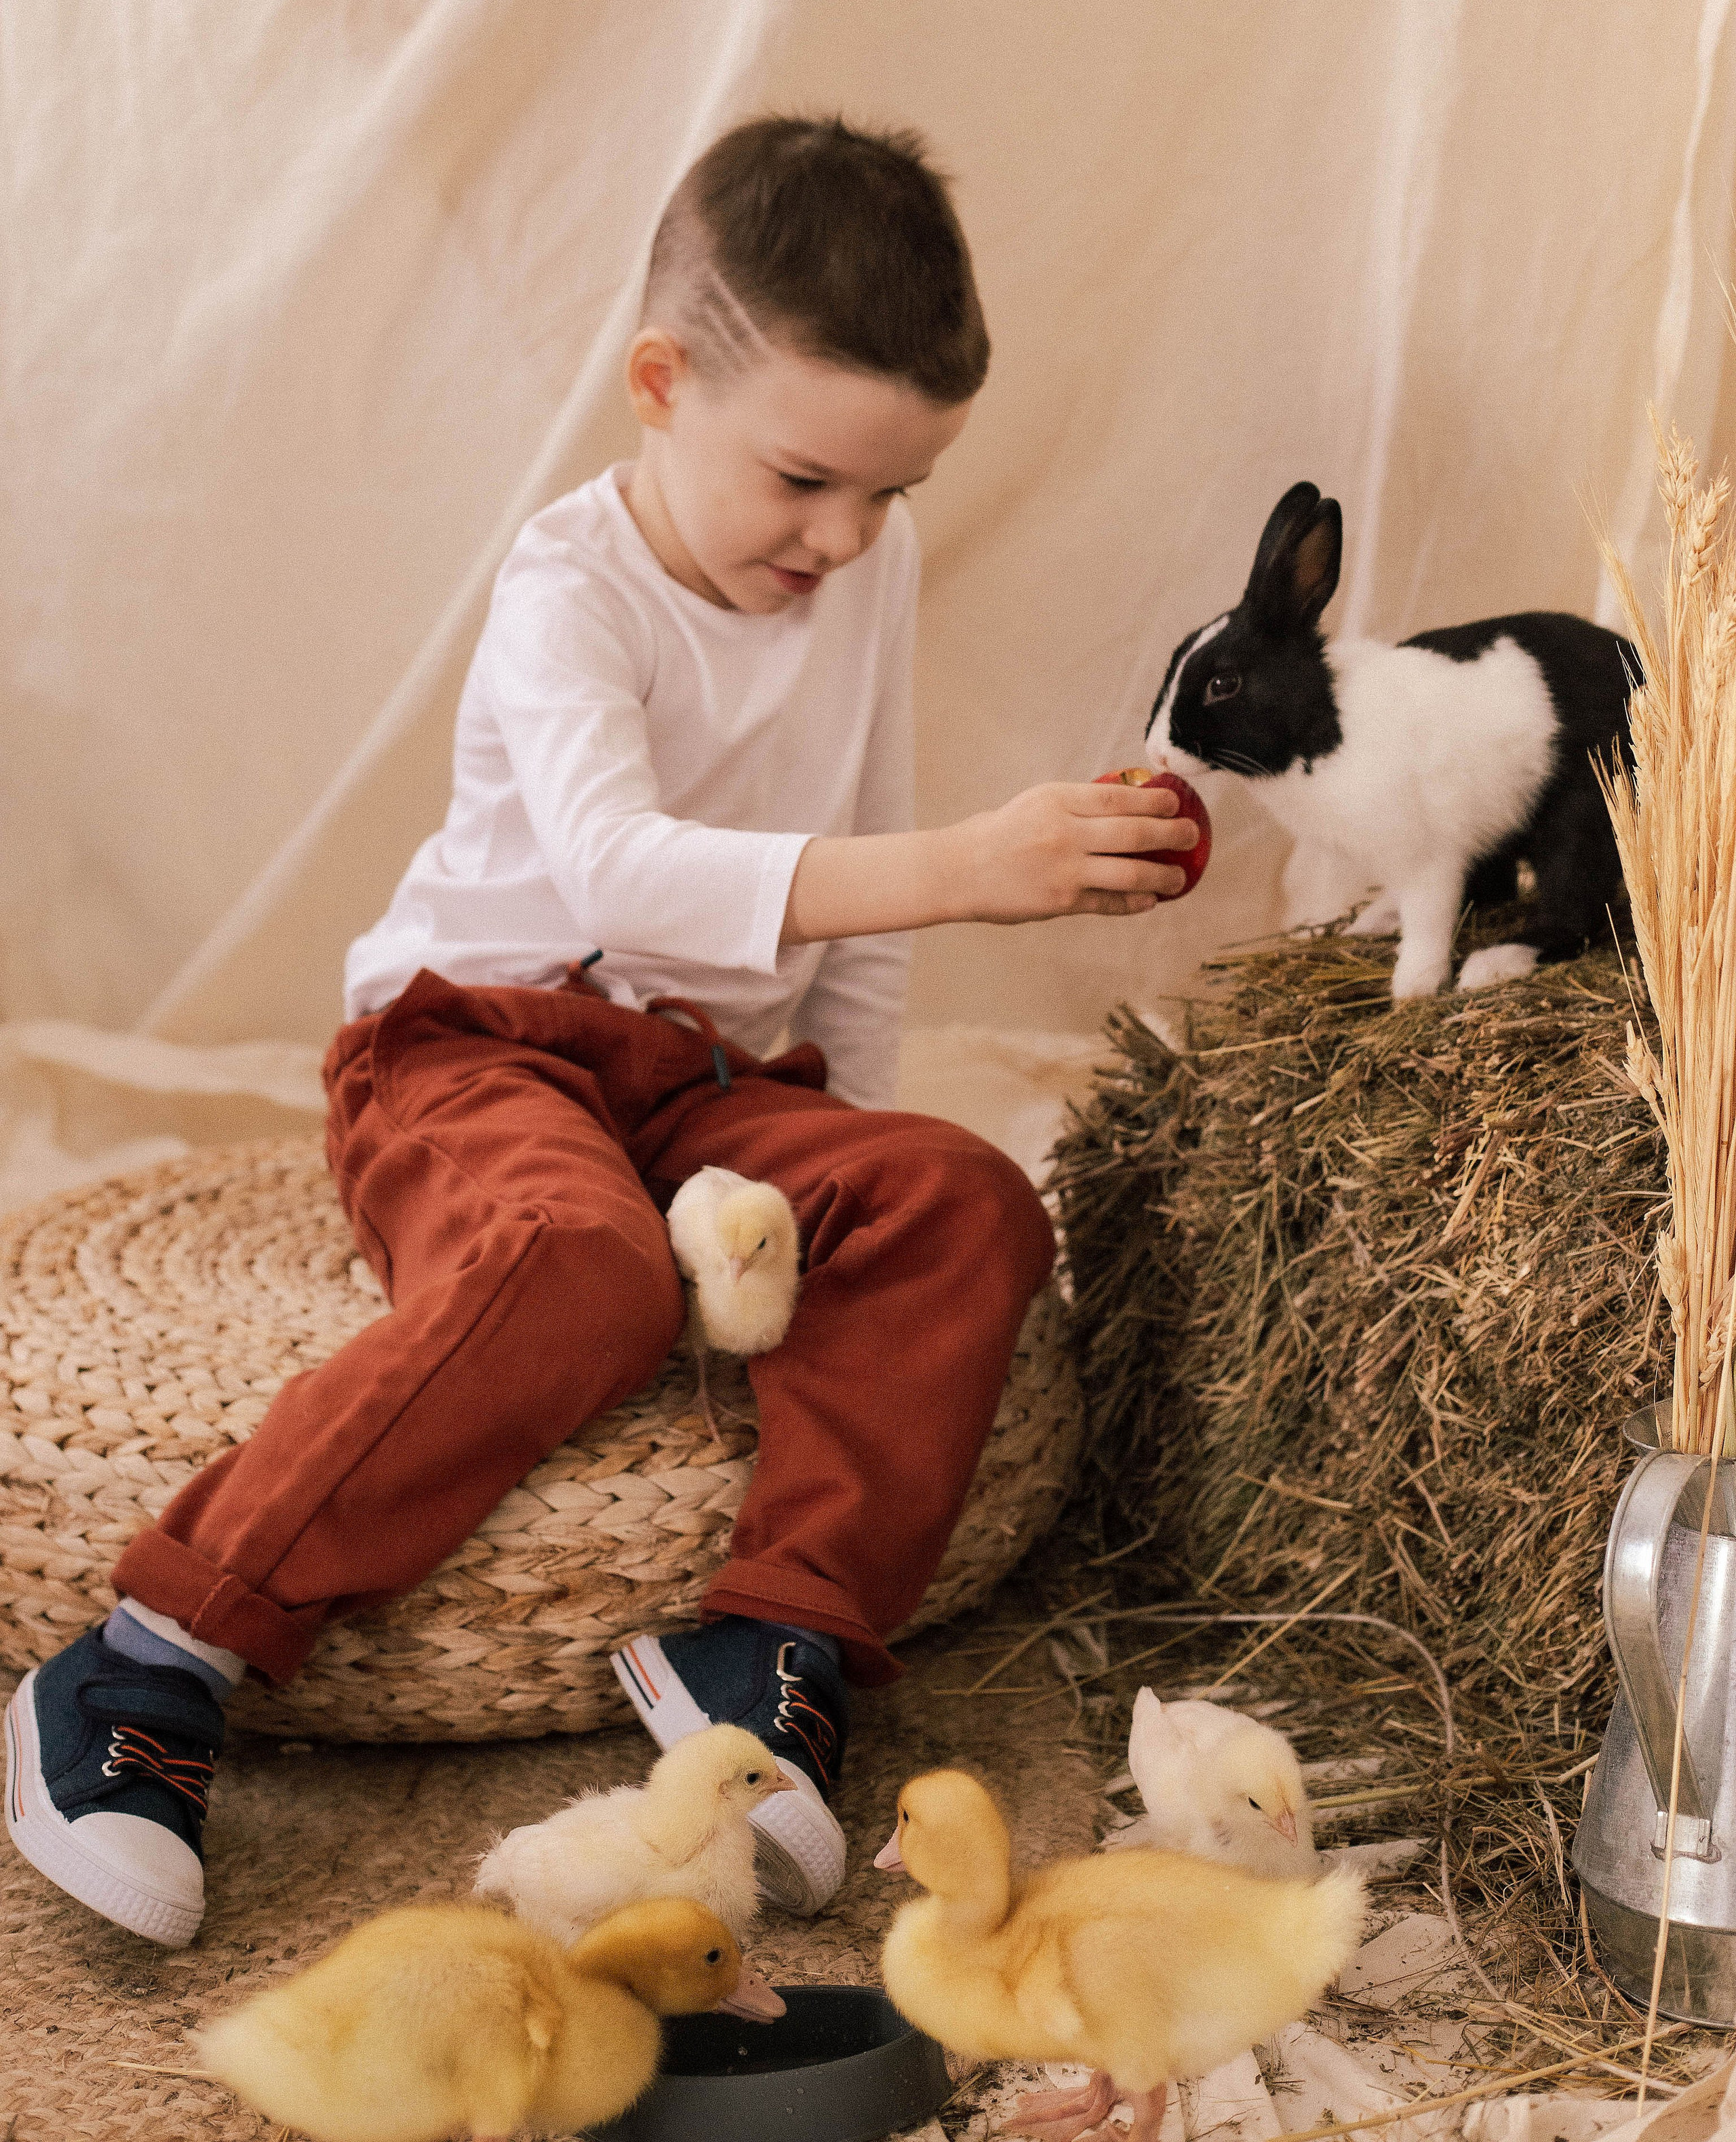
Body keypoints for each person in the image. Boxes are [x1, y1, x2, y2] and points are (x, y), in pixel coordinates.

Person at [4, 116, 1197, 1948]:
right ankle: (154, 1654)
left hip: (711, 1086)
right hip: (479, 1042)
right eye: (806, 479)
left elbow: (844, 936)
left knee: (962, 1197)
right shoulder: (572, 591)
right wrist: (973, 866)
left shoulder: (860, 574)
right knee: (579, 1266)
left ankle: (767, 1654)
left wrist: (844, 1170)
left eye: (896, 490)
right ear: (660, 384)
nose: (851, 534)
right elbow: (627, 878)